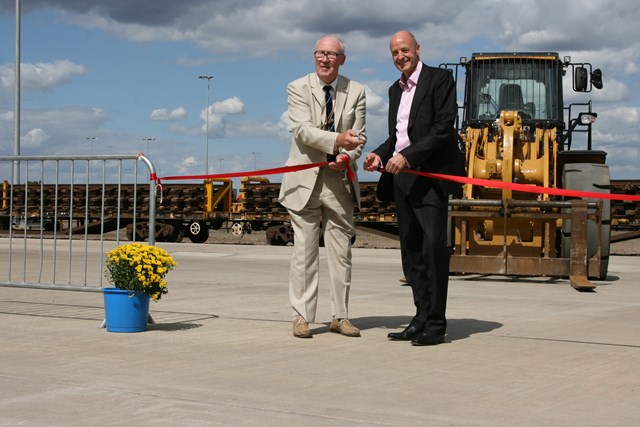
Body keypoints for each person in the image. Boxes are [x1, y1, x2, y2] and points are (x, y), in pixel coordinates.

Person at [363, 31, 464, 346]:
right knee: (411, 253)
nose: (399, 56)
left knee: (434, 250)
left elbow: (443, 127)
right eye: (394, 52)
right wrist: (379, 154)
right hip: (403, 181)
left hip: (430, 179)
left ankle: (436, 323)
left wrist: (407, 157)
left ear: (417, 49)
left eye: (404, 50)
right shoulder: (395, 90)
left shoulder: (440, 79)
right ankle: (420, 318)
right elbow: (397, 137)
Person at [279, 34, 366, 338]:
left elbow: (360, 138)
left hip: (339, 181)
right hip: (304, 182)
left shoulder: (356, 91)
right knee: (304, 252)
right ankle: (301, 316)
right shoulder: (297, 87)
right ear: (314, 56)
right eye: (320, 53)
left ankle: (340, 316)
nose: (325, 59)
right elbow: (303, 132)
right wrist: (338, 140)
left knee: (341, 253)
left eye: (332, 54)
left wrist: (347, 155)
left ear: (342, 59)